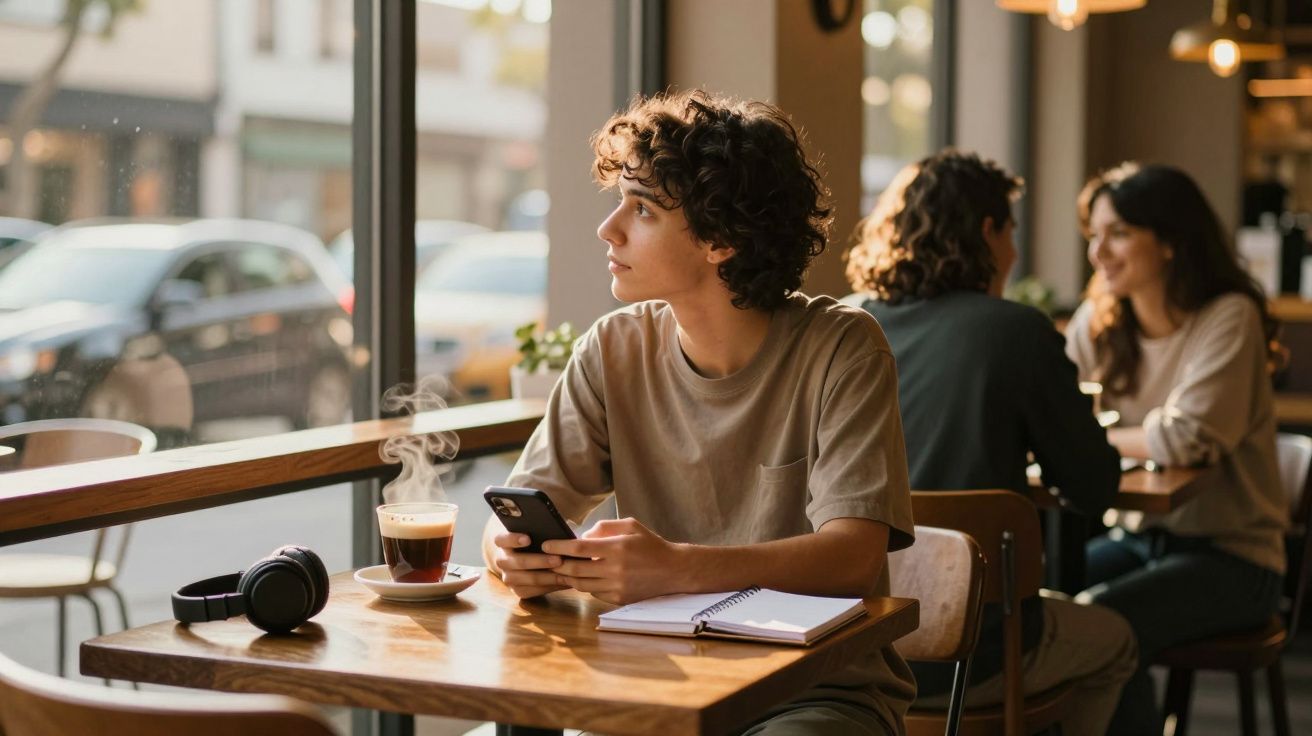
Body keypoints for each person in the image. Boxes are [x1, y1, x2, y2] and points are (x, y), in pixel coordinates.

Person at [481, 89, 917, 735]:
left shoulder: (842, 346)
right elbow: (517, 511)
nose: (609, 228)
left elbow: (852, 558)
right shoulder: (613, 347)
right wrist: (511, 554)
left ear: (720, 237)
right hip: (648, 684)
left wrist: (677, 568)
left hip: (814, 693)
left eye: (643, 209)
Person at [846, 149, 1136, 736]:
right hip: (977, 650)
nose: (1015, 252)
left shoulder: (848, 326)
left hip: (852, 642)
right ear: (986, 232)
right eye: (1011, 232)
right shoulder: (1016, 331)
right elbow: (1094, 485)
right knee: (1117, 642)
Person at [1067, 162, 1289, 736]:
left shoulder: (1228, 317)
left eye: (1118, 233)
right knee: (1033, 599)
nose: (1098, 253)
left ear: (1169, 241)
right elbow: (1058, 418)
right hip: (1137, 538)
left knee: (1104, 626)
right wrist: (1116, 437)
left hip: (1235, 557)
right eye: (1093, 234)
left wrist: (1098, 438)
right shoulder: (1097, 322)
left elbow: (1189, 437)